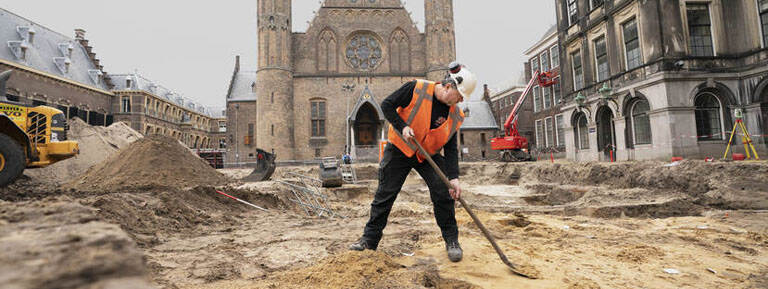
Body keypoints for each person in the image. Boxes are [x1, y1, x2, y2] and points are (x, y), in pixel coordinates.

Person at [349, 62, 477, 262]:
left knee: (444, 193)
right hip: (400, 147)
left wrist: (454, 178)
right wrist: (403, 126)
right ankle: (369, 240)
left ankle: (452, 240)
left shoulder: (455, 114)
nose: (459, 101)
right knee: (385, 195)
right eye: (459, 96)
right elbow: (387, 105)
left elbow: (451, 149)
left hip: (427, 154)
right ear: (449, 86)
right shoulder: (416, 88)